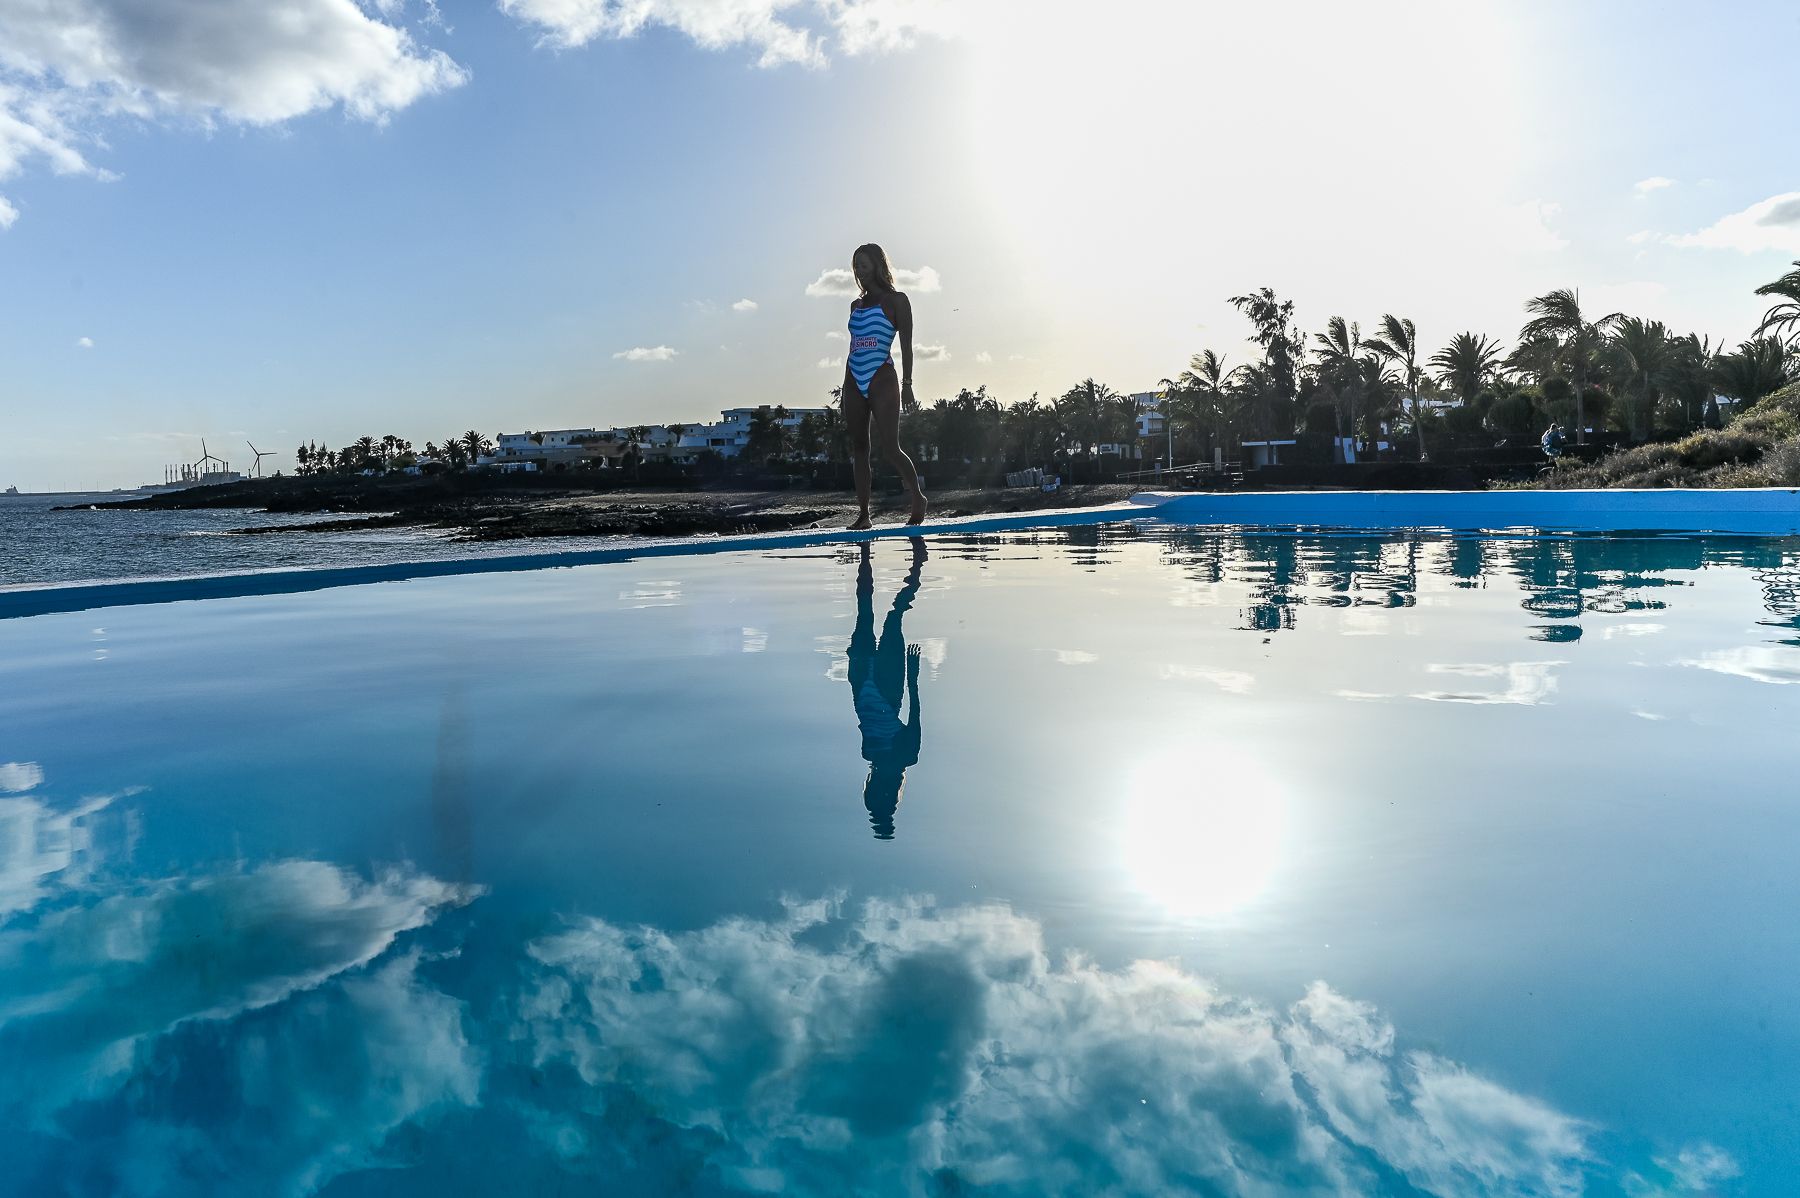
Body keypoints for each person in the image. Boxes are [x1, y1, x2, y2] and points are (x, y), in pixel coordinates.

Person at [841, 243, 927, 529]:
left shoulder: (897, 301)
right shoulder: (856, 305)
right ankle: (864, 515)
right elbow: (853, 346)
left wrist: (908, 384)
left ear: (878, 266)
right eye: (856, 267)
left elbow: (907, 347)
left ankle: (917, 497)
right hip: (853, 377)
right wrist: (847, 384)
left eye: (864, 266)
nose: (859, 272)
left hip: (882, 376)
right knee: (859, 447)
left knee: (891, 448)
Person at [847, 538, 927, 839]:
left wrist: (912, 675)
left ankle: (873, 552)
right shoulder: (892, 754)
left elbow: (914, 710)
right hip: (876, 681)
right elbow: (914, 711)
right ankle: (912, 561)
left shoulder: (889, 756)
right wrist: (913, 673)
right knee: (884, 613)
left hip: (872, 681)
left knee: (877, 611)